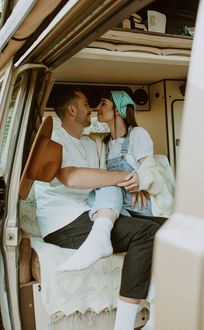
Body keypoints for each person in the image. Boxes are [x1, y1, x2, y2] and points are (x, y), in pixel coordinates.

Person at [34, 87, 161, 330]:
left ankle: (158, 310)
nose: (91, 108)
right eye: (85, 104)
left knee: (168, 231)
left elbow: (108, 181)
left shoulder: (92, 143)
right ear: (72, 109)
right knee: (145, 232)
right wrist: (123, 176)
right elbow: (70, 178)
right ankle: (124, 325)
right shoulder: (54, 140)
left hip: (92, 212)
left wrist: (137, 182)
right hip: (64, 222)